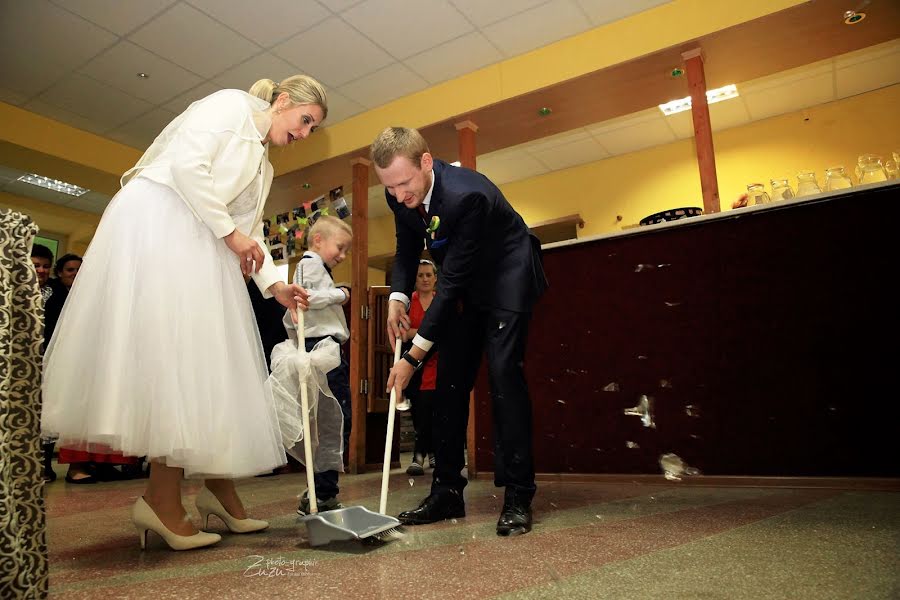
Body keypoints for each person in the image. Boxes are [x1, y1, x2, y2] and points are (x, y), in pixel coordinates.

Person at [41, 75, 324, 551]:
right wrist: (231, 237)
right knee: (175, 362)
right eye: (306, 120)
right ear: (282, 102)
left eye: (313, 128)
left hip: (201, 242)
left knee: (206, 369)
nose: (306, 133)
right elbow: (187, 167)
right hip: (162, 227)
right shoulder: (229, 107)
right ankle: (161, 500)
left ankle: (217, 491)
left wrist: (276, 285)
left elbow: (247, 232)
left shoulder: (264, 167)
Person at [372, 127, 548, 537]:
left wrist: (413, 357)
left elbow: (450, 286)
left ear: (427, 162)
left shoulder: (469, 194)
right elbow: (406, 246)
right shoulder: (397, 191)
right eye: (390, 187)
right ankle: (447, 490)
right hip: (464, 284)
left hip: (506, 278)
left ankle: (519, 494)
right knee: (450, 380)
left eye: (404, 184)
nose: (398, 196)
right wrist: (398, 295)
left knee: (504, 376)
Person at [277, 215, 353, 515]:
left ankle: (322, 488)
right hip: (323, 350)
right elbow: (306, 298)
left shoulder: (313, 267)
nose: (343, 255)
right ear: (318, 241)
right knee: (335, 420)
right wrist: (342, 293)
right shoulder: (310, 264)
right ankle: (323, 491)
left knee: (327, 421)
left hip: (320, 348)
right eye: (340, 247)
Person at [404, 259, 439, 477]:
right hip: (415, 362)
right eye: (420, 275)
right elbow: (403, 333)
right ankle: (430, 451)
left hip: (438, 361)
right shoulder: (408, 302)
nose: (425, 279)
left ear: (436, 278)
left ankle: (420, 454)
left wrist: (415, 332)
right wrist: (422, 334)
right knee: (419, 408)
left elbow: (442, 331)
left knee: (433, 408)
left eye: (428, 275)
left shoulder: (440, 301)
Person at [31, 244, 57, 481]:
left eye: (46, 266)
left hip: (48, 360)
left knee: (46, 413)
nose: (41, 270)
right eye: (36, 265)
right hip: (22, 361)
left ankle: (44, 465)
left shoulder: (56, 293)